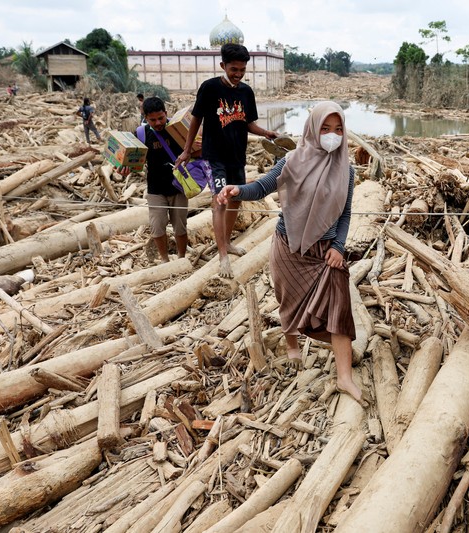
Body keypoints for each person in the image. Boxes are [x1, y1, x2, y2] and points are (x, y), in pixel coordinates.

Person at [216, 101, 365, 405]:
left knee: (340, 311)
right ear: (312, 128)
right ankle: (292, 342)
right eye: (325, 128)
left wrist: (338, 247)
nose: (332, 135)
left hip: (326, 254)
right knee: (289, 302)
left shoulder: (346, 170)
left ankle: (344, 377)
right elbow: (262, 187)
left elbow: (346, 214)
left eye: (338, 129)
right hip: (289, 246)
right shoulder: (291, 161)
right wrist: (237, 191)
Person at [175, 43, 278, 277]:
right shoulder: (210, 88)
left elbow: (247, 122)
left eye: (242, 70)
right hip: (215, 158)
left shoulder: (245, 92)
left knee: (236, 200)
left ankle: (228, 243)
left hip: (236, 157)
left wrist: (266, 133)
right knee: (219, 202)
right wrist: (187, 150)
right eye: (234, 69)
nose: (238, 74)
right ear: (223, 65)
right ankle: (222, 255)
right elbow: (196, 119)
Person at [120, 96, 189, 262]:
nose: (158, 123)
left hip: (179, 186)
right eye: (153, 120)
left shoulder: (177, 128)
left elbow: (193, 149)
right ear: (145, 118)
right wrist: (124, 168)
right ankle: (164, 260)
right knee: (157, 227)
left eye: (161, 118)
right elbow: (133, 161)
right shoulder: (141, 134)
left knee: (180, 226)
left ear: (166, 113)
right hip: (155, 188)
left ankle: (181, 258)